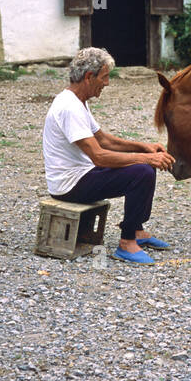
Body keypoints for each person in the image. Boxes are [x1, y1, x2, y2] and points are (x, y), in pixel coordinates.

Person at [43, 47, 174, 264]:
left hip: (83, 173)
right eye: (104, 78)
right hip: (69, 186)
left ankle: (137, 231)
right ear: (88, 77)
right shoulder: (69, 108)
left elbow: (104, 140)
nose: (107, 83)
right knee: (141, 172)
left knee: (145, 167)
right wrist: (146, 159)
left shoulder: (77, 101)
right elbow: (100, 156)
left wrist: (145, 148)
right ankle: (126, 244)